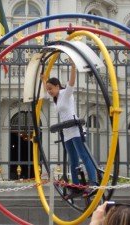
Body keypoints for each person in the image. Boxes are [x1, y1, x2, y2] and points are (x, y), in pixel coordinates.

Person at [41, 61, 97, 199]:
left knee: (84, 156)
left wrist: (73, 67)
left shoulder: (65, 93)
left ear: (57, 86)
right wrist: (43, 80)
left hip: (75, 130)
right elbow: (46, 92)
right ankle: (77, 186)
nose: (49, 91)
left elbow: (71, 82)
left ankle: (93, 182)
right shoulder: (55, 98)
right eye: (48, 89)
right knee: (73, 160)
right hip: (66, 133)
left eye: (50, 88)